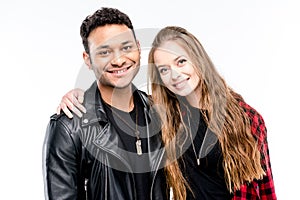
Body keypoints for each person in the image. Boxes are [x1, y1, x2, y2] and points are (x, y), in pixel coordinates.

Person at [58, 26, 277, 199]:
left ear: (198, 59)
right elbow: (119, 101)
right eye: (164, 70)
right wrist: (80, 95)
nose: (175, 75)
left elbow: (267, 189)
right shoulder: (161, 116)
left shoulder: (246, 118)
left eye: (181, 61)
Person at [43, 7, 167, 200]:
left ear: (138, 48)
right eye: (104, 52)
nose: (118, 60)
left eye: (126, 47)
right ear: (88, 60)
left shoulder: (159, 112)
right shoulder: (69, 127)